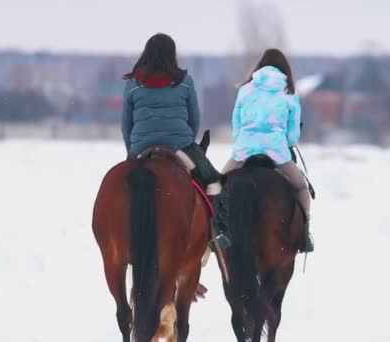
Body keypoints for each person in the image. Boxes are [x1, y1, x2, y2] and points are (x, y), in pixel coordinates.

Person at [120, 33, 229, 247]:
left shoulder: (133, 83)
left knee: (123, 189)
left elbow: (126, 124)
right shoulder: (185, 82)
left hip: (141, 147)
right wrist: (187, 141)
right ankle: (218, 233)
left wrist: (132, 151)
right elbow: (194, 119)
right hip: (180, 147)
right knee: (214, 182)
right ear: (172, 55)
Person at [221, 48, 314, 253]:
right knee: (301, 188)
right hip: (276, 151)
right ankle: (304, 235)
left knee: (218, 186)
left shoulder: (245, 89)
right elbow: (292, 136)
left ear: (259, 66)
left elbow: (236, 124)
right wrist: (285, 142)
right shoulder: (289, 91)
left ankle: (215, 233)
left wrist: (243, 141)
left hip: (244, 149)